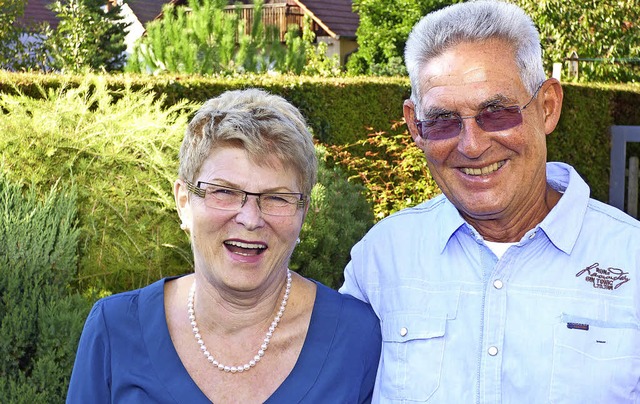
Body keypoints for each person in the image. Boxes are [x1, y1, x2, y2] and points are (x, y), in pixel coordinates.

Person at [340, 1, 640, 402]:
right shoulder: (382, 259)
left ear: (548, 107)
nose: (472, 145)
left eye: (496, 113)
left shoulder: (631, 259)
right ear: (415, 126)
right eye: (443, 120)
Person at [67, 88, 381, 403]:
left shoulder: (357, 339)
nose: (250, 218)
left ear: (304, 212)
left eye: (276, 197)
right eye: (224, 192)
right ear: (183, 201)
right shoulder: (114, 330)